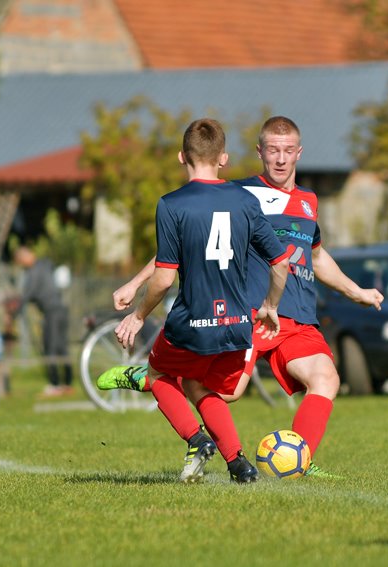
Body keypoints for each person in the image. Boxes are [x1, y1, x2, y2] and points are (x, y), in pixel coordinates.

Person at [98, 116, 384, 477]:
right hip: (252, 313)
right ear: (259, 152)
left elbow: (315, 255)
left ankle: (299, 461)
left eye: (288, 150)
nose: (281, 158)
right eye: (273, 150)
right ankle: (152, 376)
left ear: (299, 153)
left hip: (296, 316)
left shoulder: (308, 201)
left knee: (326, 378)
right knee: (224, 393)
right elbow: (185, 246)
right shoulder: (239, 195)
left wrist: (356, 291)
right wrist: (135, 283)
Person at [113, 117, 291, 483]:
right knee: (198, 386)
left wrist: (139, 314)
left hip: (193, 322)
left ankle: (197, 439)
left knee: (158, 373)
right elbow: (281, 262)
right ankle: (239, 464)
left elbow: (165, 277)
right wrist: (270, 306)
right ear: (223, 158)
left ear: (182, 156)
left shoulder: (172, 205)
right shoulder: (245, 201)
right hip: (237, 324)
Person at [10, 246, 73, 396]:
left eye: (20, 261)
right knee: (61, 347)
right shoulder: (46, 264)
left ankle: (55, 384)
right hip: (61, 310)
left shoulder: (33, 272)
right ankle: (67, 383)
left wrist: (13, 315)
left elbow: (27, 295)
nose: (21, 264)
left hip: (52, 312)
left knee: (50, 348)